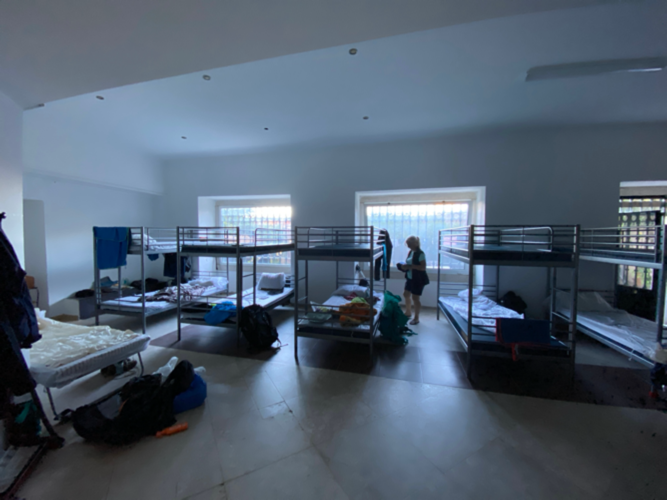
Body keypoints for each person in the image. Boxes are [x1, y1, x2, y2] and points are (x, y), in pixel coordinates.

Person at [401, 235, 430, 325]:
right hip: (410, 278)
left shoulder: (420, 254)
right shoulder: (410, 252)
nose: (408, 245)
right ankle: (408, 312)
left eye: (409, 243)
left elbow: (423, 267)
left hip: (418, 279)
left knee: (415, 298)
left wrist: (410, 266)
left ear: (415, 244)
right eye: (407, 244)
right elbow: (410, 263)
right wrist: (404, 266)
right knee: (406, 294)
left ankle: (416, 318)